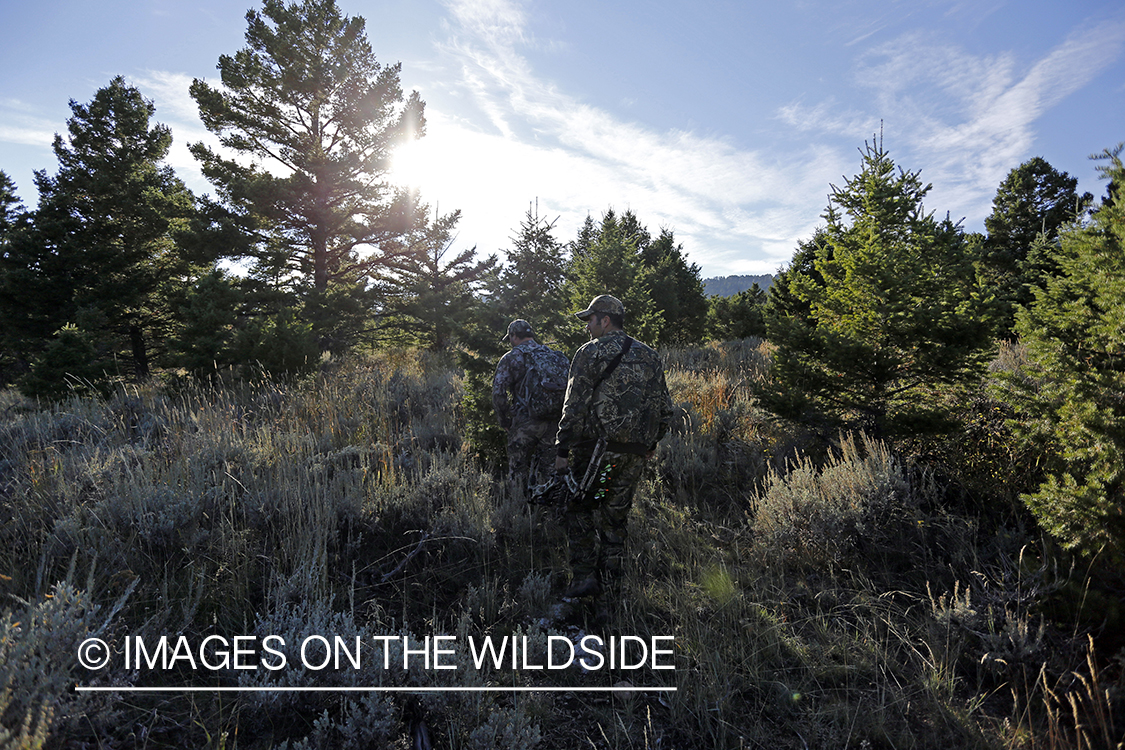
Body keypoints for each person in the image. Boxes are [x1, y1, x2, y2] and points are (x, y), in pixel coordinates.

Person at [553, 294, 673, 604]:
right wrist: (651, 443)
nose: (587, 327)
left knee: (577, 506)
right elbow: (665, 408)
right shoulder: (649, 355)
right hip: (633, 455)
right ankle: (610, 594)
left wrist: (562, 451)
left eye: (590, 320)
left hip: (597, 455)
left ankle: (583, 580)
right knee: (615, 519)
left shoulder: (589, 353)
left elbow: (574, 407)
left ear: (605, 320)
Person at [492, 319, 570, 498]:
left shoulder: (512, 357)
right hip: (553, 422)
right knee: (551, 471)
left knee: (518, 471)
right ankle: (554, 514)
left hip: (524, 424)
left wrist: (504, 420)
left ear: (513, 336)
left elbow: (498, 393)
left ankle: (521, 513)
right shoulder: (552, 355)